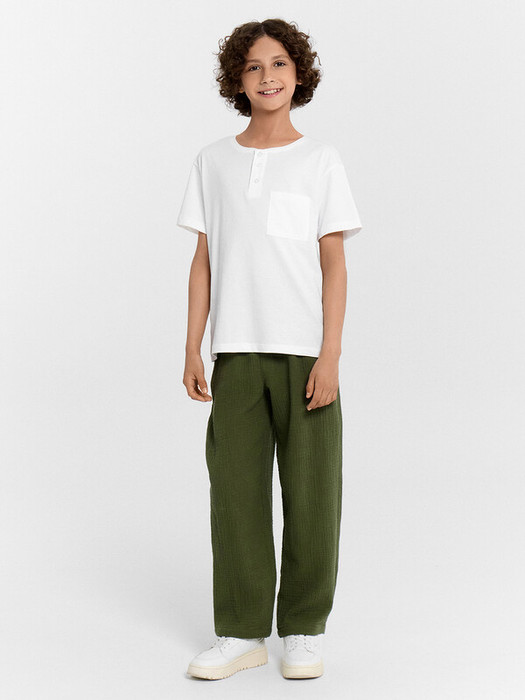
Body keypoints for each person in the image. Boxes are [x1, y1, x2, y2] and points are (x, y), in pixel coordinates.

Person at [177, 18, 363, 680]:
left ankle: (304, 629)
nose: (267, 76)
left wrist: (330, 354)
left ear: (299, 73)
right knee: (234, 493)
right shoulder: (213, 161)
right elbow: (203, 261)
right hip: (234, 352)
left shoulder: (321, 161)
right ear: (237, 80)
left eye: (279, 63)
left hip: (304, 353)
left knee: (312, 493)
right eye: (253, 66)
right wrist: (193, 347)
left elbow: (333, 264)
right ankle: (241, 631)